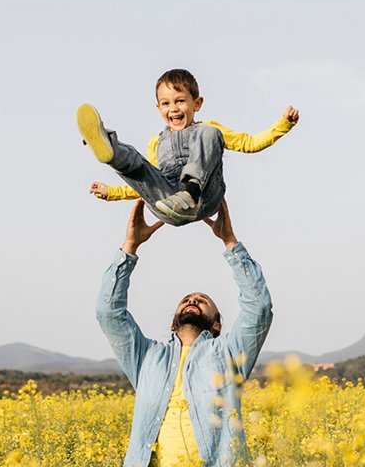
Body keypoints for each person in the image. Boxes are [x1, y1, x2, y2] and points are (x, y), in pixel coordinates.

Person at [96, 199, 273, 466]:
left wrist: (230, 243)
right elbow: (109, 313)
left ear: (217, 325)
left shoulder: (229, 354)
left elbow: (259, 308)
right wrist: (130, 247)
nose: (193, 300)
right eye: (187, 298)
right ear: (172, 323)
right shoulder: (146, 357)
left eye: (203, 300)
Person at [78, 68, 299, 225]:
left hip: (204, 198)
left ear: (197, 103)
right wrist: (111, 192)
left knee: (210, 132)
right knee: (139, 163)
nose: (173, 108)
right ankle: (111, 149)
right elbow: (145, 182)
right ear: (158, 108)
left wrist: (284, 124)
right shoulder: (157, 142)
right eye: (166, 103)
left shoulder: (207, 130)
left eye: (180, 101)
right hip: (167, 202)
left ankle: (191, 191)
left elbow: (250, 143)